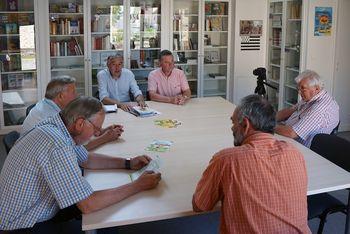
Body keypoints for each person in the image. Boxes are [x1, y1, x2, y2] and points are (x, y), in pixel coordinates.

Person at [0, 96, 161, 232]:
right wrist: (138, 185)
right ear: (80, 124)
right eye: (96, 129)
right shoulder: (57, 143)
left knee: (105, 210)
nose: (98, 134)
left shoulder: (58, 125)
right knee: (104, 218)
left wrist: (128, 163)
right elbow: (87, 204)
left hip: (35, 207)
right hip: (20, 225)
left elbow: (86, 159)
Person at [192, 94, 310, 233]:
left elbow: (200, 205)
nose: (232, 128)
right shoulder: (294, 153)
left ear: (246, 125)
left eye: (233, 122)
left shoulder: (226, 160)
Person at [22, 76, 123, 151]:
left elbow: (75, 136)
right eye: (74, 92)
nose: (77, 96)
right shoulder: (50, 117)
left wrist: (100, 130)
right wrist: (106, 138)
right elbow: (75, 148)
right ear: (61, 96)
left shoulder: (47, 105)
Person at [275, 70, 339, 148]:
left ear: (317, 88)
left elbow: (292, 133)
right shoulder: (310, 97)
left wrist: (267, 125)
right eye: (298, 88)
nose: (299, 92)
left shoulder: (321, 108)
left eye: (303, 88)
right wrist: (267, 118)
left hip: (301, 147)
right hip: (288, 134)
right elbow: (290, 110)